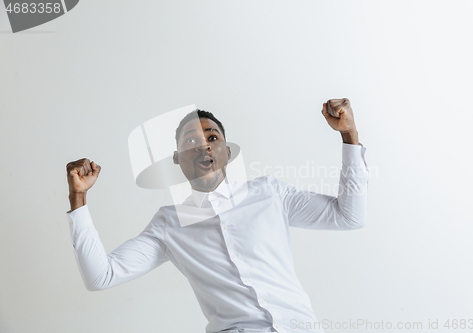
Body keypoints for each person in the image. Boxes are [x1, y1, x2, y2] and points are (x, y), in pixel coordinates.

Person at [65, 99, 369, 333]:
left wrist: (349, 134)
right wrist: (78, 198)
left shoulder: (268, 193)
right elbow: (100, 276)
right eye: (190, 142)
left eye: (211, 138)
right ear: (176, 158)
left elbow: (348, 216)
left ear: (227, 151)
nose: (203, 147)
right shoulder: (169, 224)